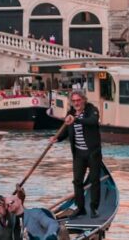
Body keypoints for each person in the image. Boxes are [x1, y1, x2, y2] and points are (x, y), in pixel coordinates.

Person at [49, 90, 102, 218]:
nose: (76, 103)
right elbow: (67, 129)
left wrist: (76, 120)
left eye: (79, 100)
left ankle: (94, 208)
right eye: (74, 101)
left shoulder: (91, 110)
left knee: (95, 180)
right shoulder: (71, 113)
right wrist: (57, 138)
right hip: (79, 153)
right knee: (77, 181)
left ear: (83, 100)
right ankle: (80, 207)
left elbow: (93, 121)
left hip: (93, 153)